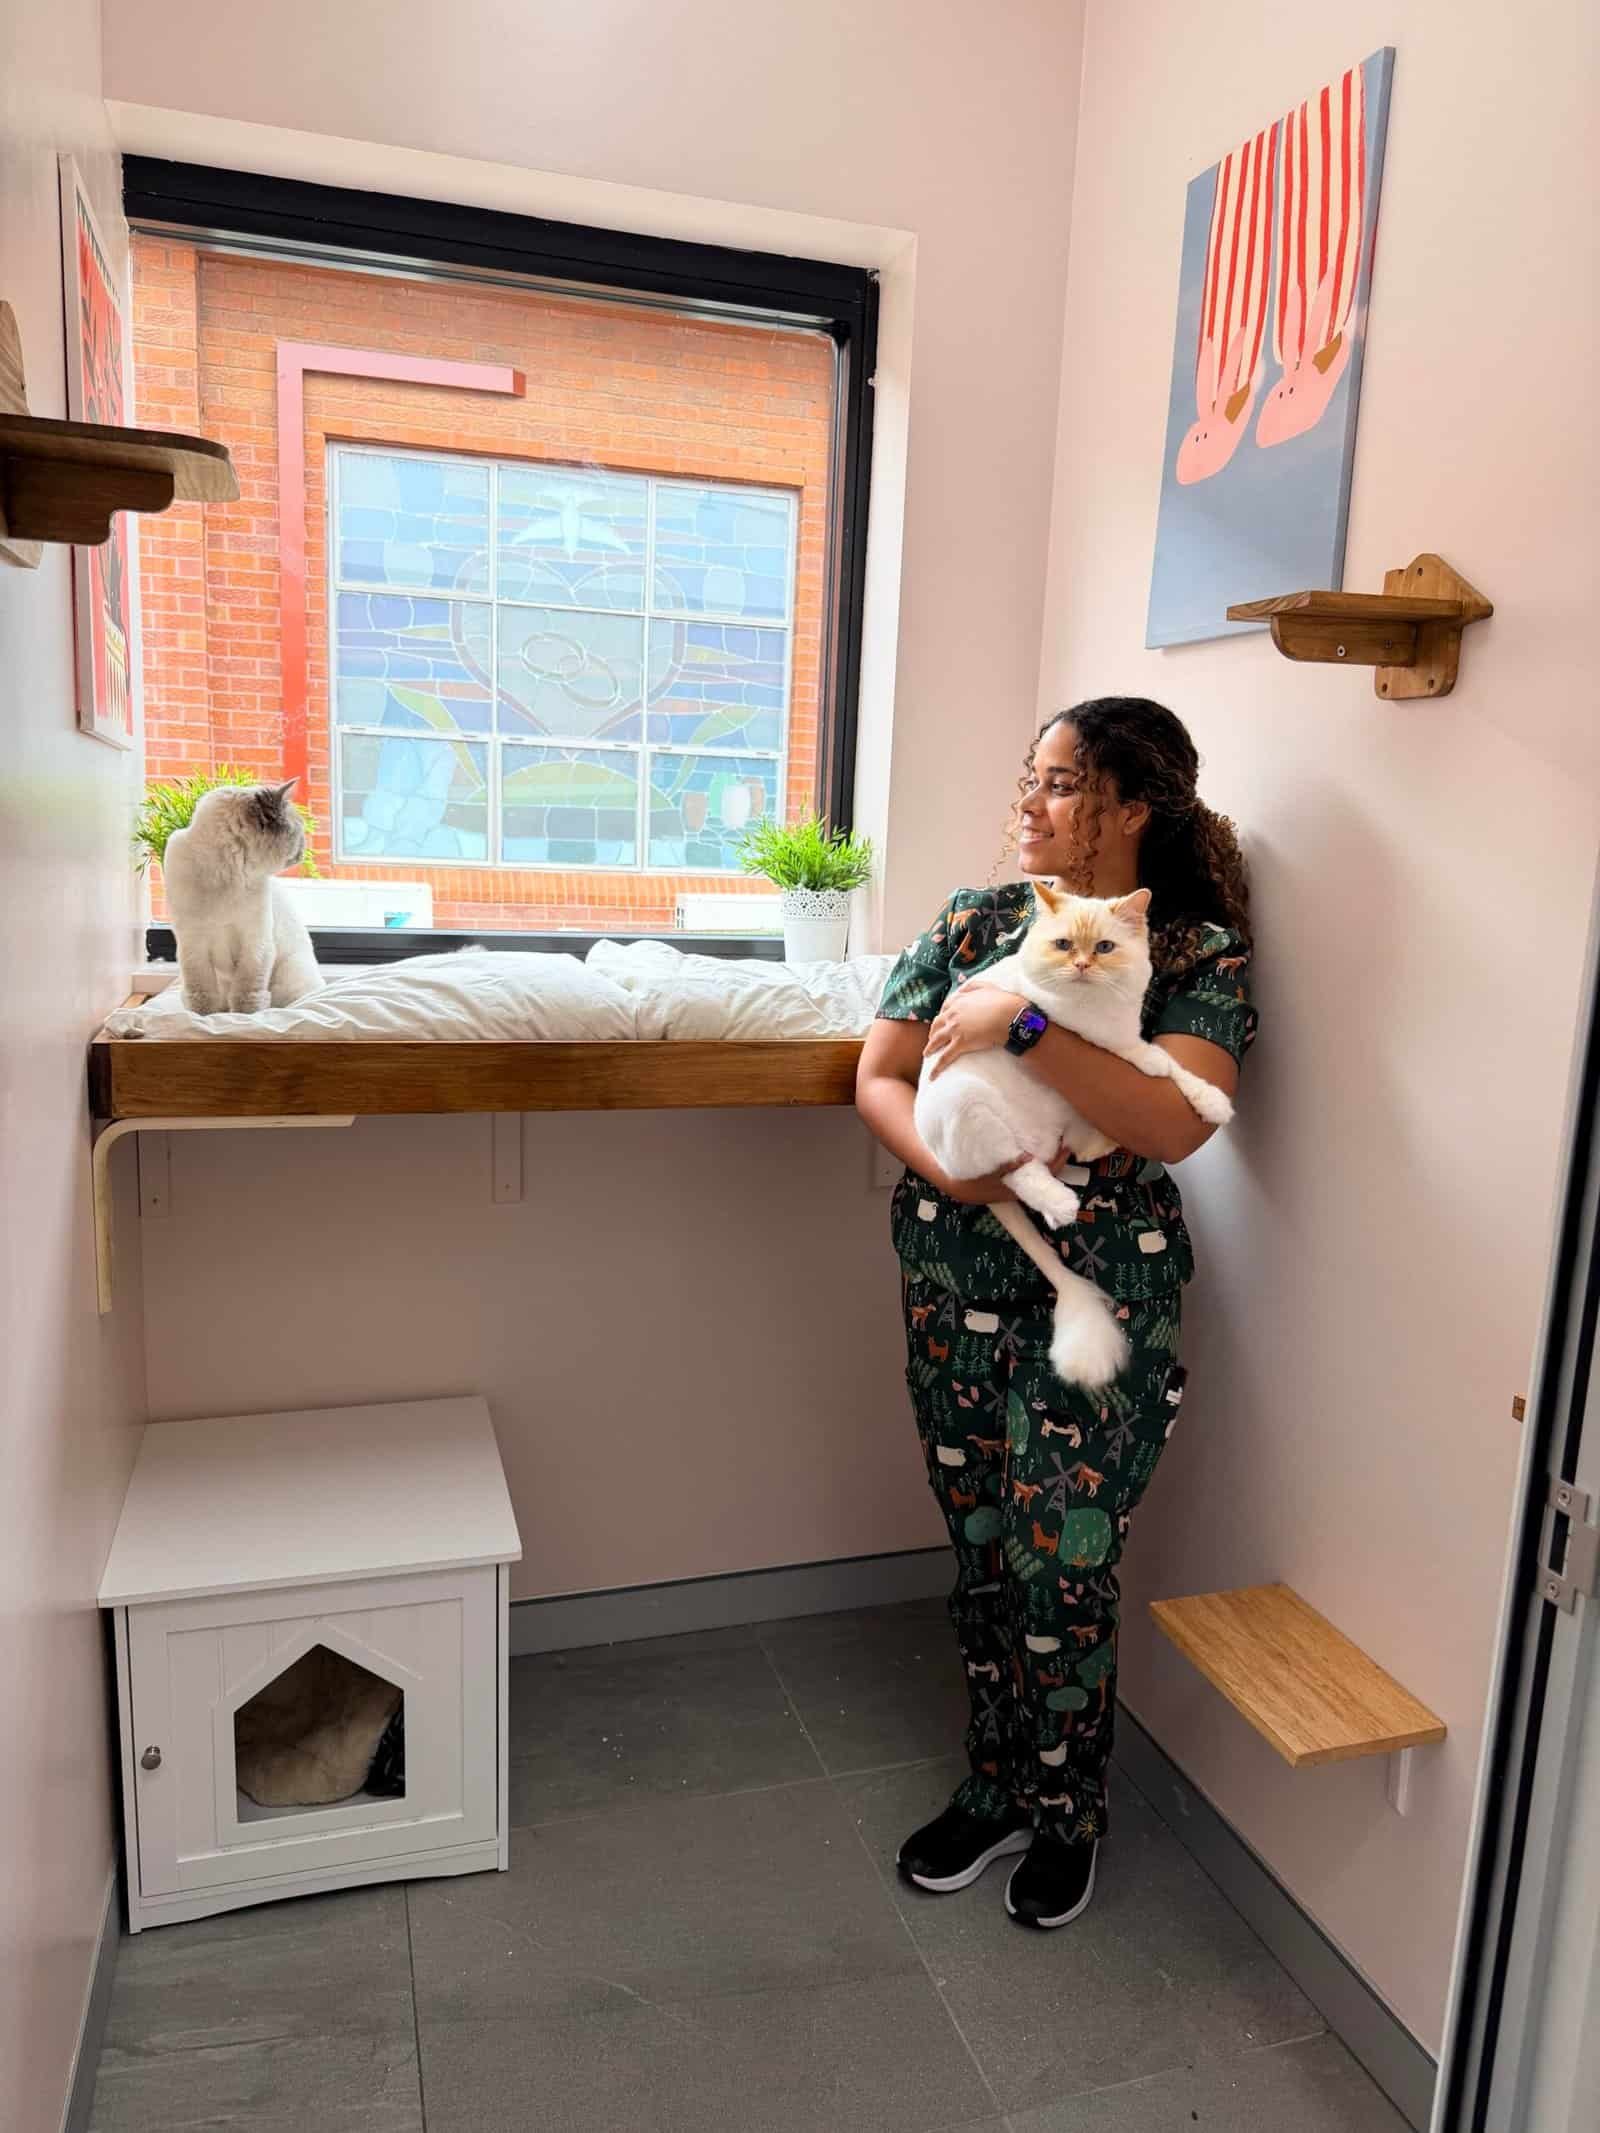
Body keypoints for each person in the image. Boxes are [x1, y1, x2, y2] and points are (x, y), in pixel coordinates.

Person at [855, 697, 1256, 1930]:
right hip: (953, 1277)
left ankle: (1067, 1812)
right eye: (1029, 777)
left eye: (1062, 782)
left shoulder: (1192, 951)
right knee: (982, 1549)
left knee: (1064, 1561)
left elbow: (1176, 1122)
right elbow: (878, 1074)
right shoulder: (971, 921)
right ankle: (993, 1787)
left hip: (1107, 1290)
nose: (1029, 802)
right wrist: (953, 1174)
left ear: (1133, 806)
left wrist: (1020, 1023)